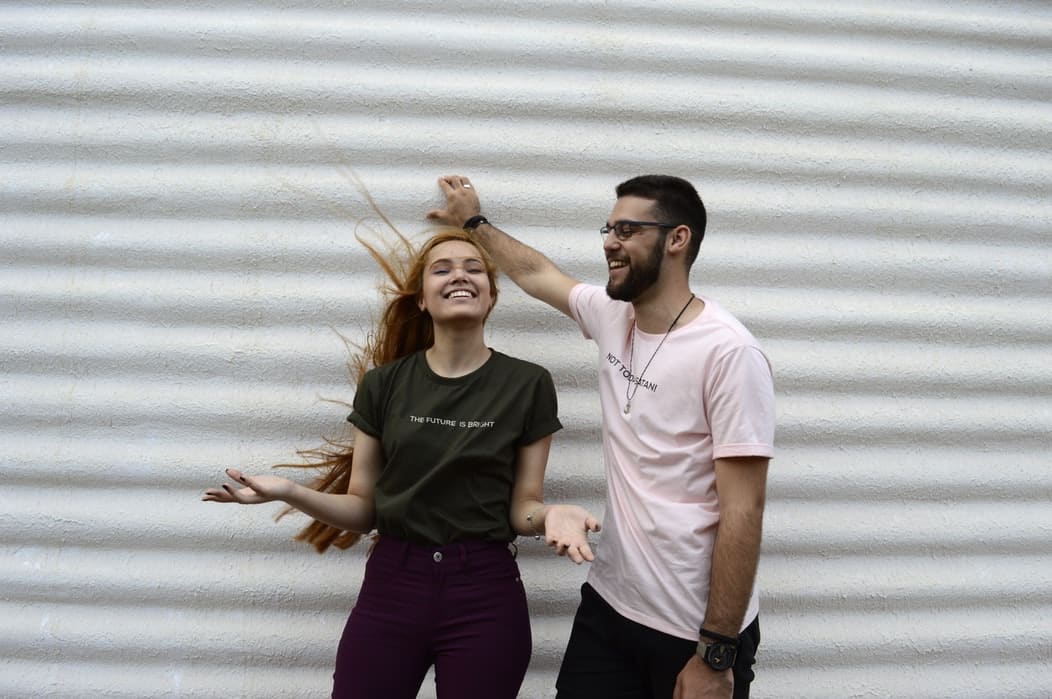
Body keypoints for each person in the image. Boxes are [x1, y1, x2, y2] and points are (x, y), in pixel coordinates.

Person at [203, 226, 600, 699]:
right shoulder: (383, 385)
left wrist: (552, 515)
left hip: (484, 591)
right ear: (421, 300)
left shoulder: (528, 383)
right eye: (443, 268)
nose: (461, 276)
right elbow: (362, 510)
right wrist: (289, 491)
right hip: (393, 585)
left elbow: (522, 507)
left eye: (475, 269)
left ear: (491, 297)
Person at [426, 174, 775, 699]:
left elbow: (744, 510)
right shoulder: (613, 315)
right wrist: (474, 224)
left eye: (628, 229)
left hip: (693, 632)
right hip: (611, 607)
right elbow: (536, 272)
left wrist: (717, 650)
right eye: (609, 228)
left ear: (677, 239)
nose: (610, 241)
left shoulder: (728, 352)